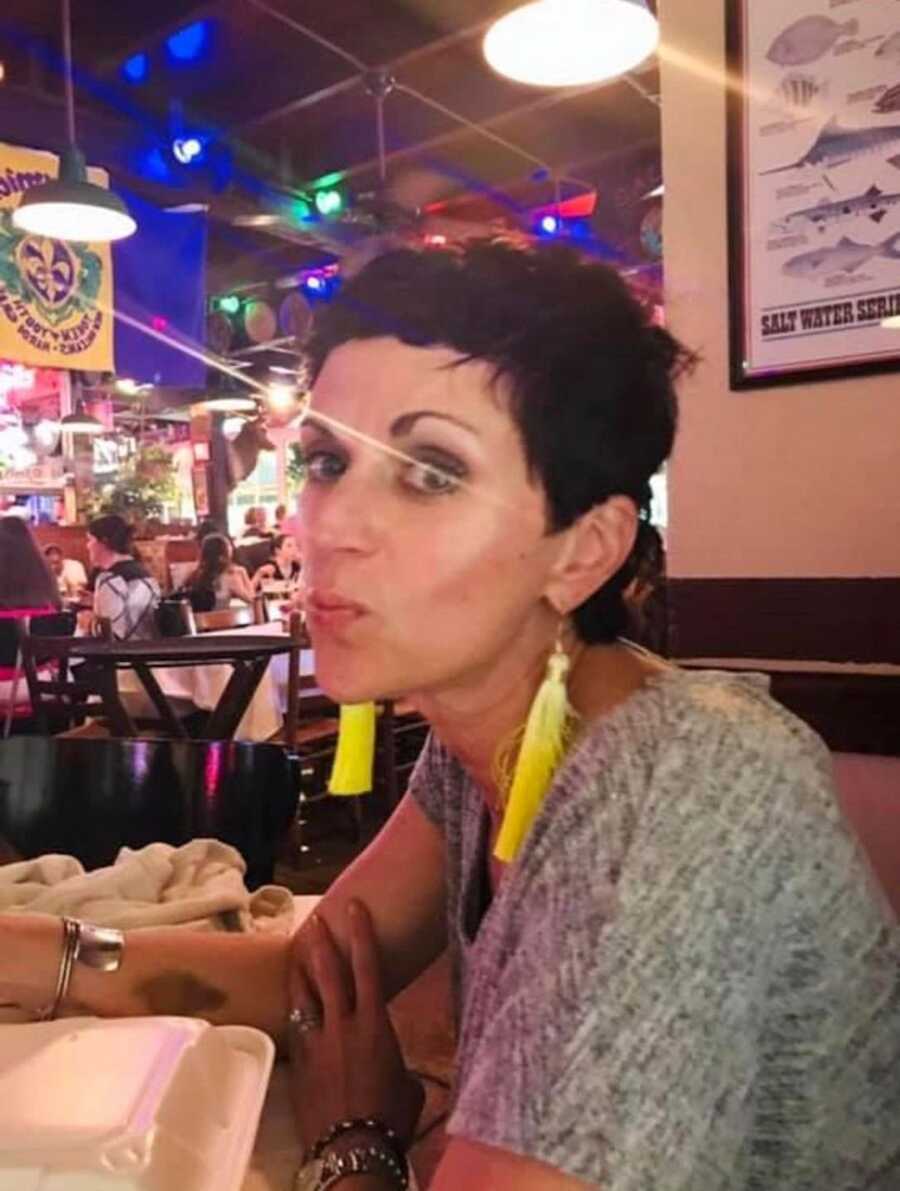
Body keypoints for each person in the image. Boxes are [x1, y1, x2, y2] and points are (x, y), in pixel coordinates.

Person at [1, 242, 898, 1191]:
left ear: (584, 549)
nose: (331, 524)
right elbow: (315, 975)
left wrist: (355, 1138)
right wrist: (25, 948)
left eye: (430, 473)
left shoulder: (678, 795)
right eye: (326, 460)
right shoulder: (492, 737)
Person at [86, 515, 160, 641]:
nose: (87, 546)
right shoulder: (146, 574)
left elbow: (111, 635)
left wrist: (87, 623)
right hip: (149, 651)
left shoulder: (109, 579)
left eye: (90, 540)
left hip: (123, 656)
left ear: (104, 542)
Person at [183, 532, 255, 612]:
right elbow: (252, 600)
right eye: (229, 546)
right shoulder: (229, 578)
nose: (231, 548)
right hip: (220, 622)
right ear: (223, 554)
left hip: (196, 622)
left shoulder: (194, 575)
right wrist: (249, 573)